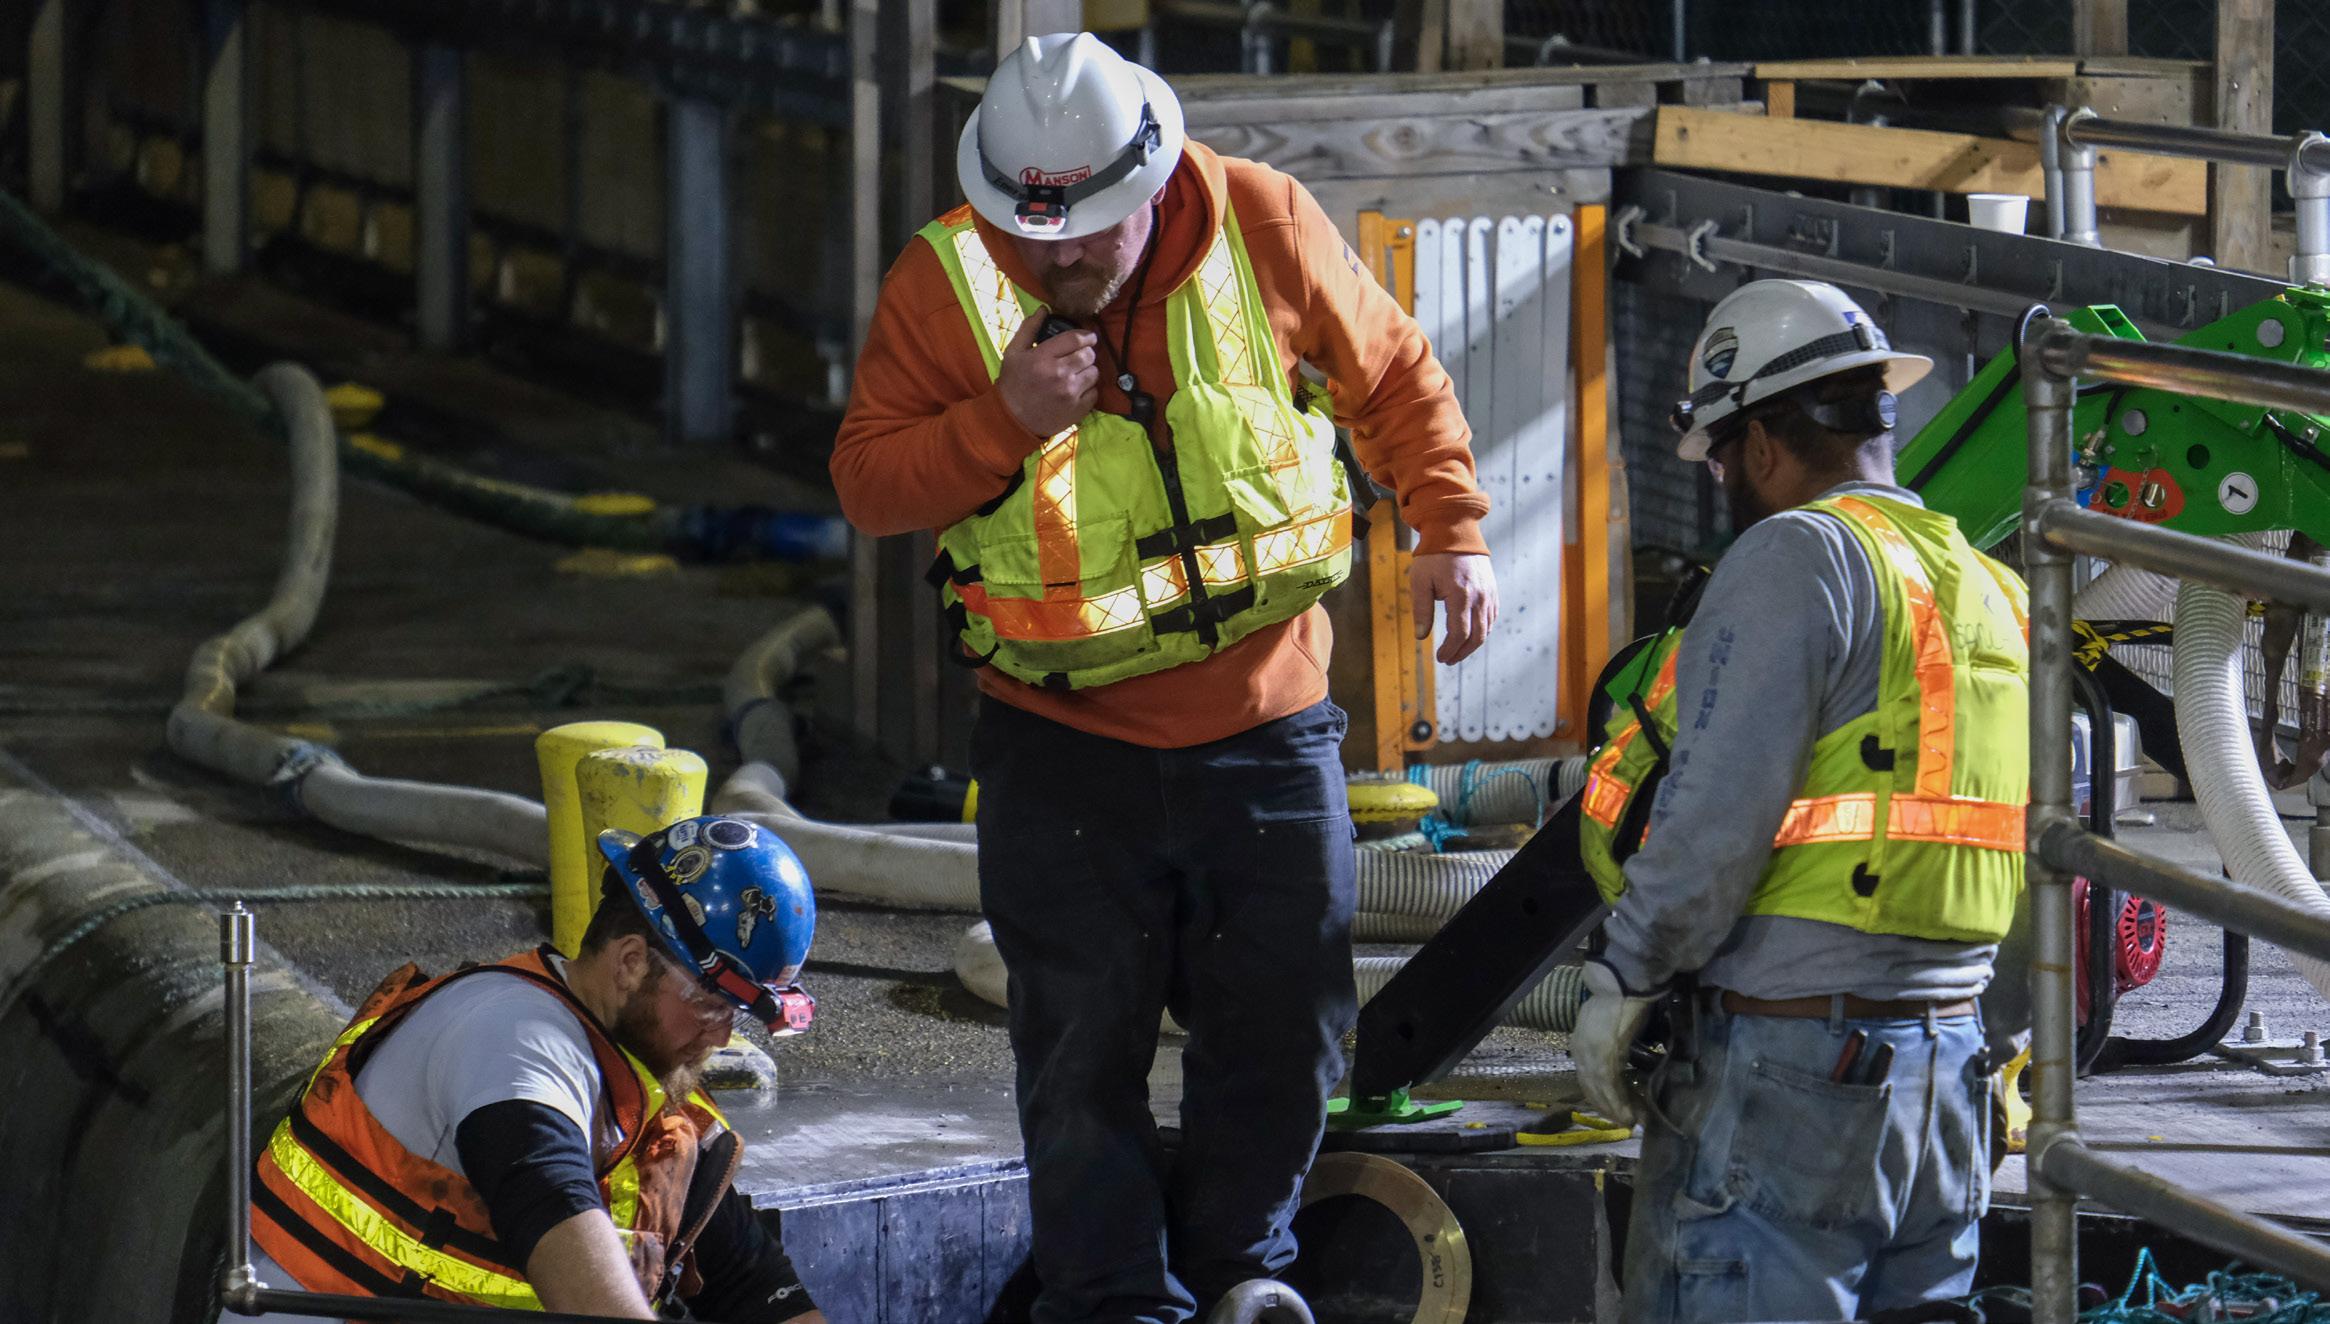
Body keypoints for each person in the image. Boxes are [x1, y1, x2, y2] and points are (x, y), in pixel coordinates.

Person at [830, 31, 1496, 1324]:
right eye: (1033, 235)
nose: (1057, 260)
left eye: (1086, 233)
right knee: (1079, 1056)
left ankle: (1245, 1278)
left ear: (1144, 184)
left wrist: (1450, 530)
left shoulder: (1260, 220)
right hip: (1057, 745)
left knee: (1285, 1031)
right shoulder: (946, 278)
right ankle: (1113, 1303)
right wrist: (1002, 421)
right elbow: (867, 483)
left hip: (1268, 731)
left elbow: (1393, 374)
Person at [1568, 279, 2029, 1324]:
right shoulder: (1989, 586)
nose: (1725, 481)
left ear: (1763, 444)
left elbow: (1713, 816)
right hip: (1949, 1077)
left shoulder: (1798, 554)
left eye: (1720, 458)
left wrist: (1627, 974)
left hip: (1795, 1073)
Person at [246, 815, 825, 1322]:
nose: (721, 1036)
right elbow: (557, 1223)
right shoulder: (511, 1037)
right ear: (630, 962)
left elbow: (751, 1285)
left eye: (737, 1015)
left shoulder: (646, 1083)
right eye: (711, 1005)